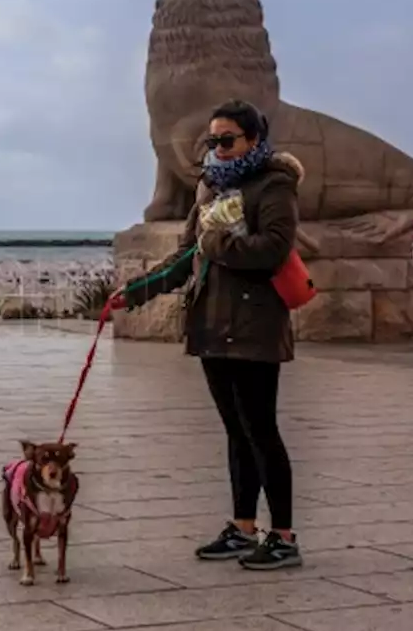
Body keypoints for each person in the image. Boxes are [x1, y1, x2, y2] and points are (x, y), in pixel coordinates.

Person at [115, 99, 302, 571]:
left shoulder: (273, 186)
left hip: (255, 326)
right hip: (213, 327)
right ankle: (243, 527)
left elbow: (273, 251)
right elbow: (184, 259)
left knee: (262, 432)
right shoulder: (209, 190)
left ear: (253, 141)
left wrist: (217, 241)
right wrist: (135, 292)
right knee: (236, 432)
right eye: (213, 141)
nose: (218, 149)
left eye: (227, 140)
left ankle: (283, 536)